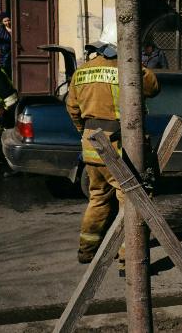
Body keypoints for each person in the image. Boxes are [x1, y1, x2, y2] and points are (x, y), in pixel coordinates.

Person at [66, 21, 160, 266]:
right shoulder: (127, 70)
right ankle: (129, 257)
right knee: (129, 202)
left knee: (97, 197)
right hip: (120, 149)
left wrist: (85, 132)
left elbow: (72, 108)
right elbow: (154, 87)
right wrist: (136, 64)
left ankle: (87, 249)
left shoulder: (81, 71)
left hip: (92, 145)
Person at [0, 12, 12, 78]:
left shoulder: (15, 28)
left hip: (15, 53)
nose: (7, 22)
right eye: (5, 21)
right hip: (5, 56)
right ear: (2, 22)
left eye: (9, 20)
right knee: (7, 72)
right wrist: (6, 47)